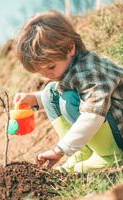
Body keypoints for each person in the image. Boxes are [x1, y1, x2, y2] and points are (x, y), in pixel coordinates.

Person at [13, 10, 123, 173]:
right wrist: (36, 100)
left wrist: (59, 150)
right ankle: (83, 151)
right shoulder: (72, 69)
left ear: (70, 48)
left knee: (69, 99)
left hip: (119, 133)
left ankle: (109, 154)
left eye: (51, 67)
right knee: (50, 91)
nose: (48, 74)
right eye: (41, 72)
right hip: (108, 121)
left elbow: (93, 115)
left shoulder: (89, 72)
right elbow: (56, 93)